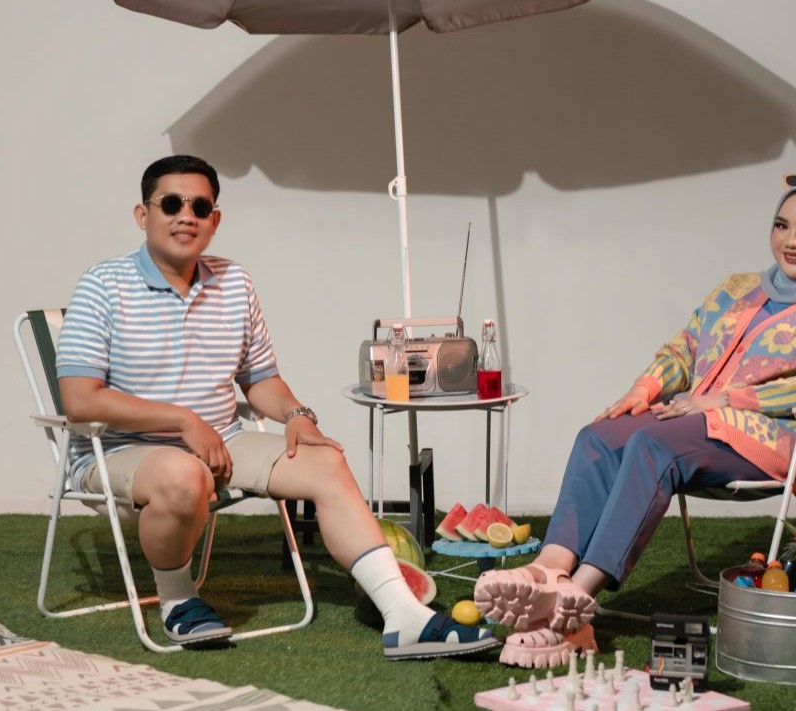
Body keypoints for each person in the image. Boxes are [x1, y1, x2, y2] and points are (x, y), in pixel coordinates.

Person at [55, 155, 498, 659]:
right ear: (143, 215)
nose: (186, 216)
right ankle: (179, 600)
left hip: (222, 440)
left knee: (326, 461)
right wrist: (183, 421)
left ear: (215, 220)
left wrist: (295, 414)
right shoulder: (103, 285)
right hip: (120, 450)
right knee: (182, 474)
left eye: (200, 207)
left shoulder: (234, 282)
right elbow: (79, 400)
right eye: (171, 204)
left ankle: (404, 616)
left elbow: (260, 379)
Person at [473, 174, 796, 669]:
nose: (792, 241)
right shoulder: (738, 289)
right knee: (598, 437)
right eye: (782, 225)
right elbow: (684, 349)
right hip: (695, 417)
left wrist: (726, 400)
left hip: (776, 436)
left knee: (654, 446)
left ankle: (577, 602)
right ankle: (548, 571)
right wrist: (642, 390)